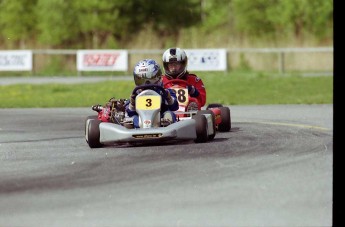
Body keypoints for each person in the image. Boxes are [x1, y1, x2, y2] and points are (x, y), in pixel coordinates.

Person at [125, 59, 179, 128]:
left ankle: (168, 130)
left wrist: (168, 98)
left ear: (158, 77)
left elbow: (175, 106)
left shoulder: (164, 92)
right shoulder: (136, 94)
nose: (147, 84)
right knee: (129, 121)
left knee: (169, 114)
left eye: (151, 79)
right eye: (142, 80)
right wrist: (132, 104)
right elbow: (129, 112)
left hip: (161, 120)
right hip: (140, 120)